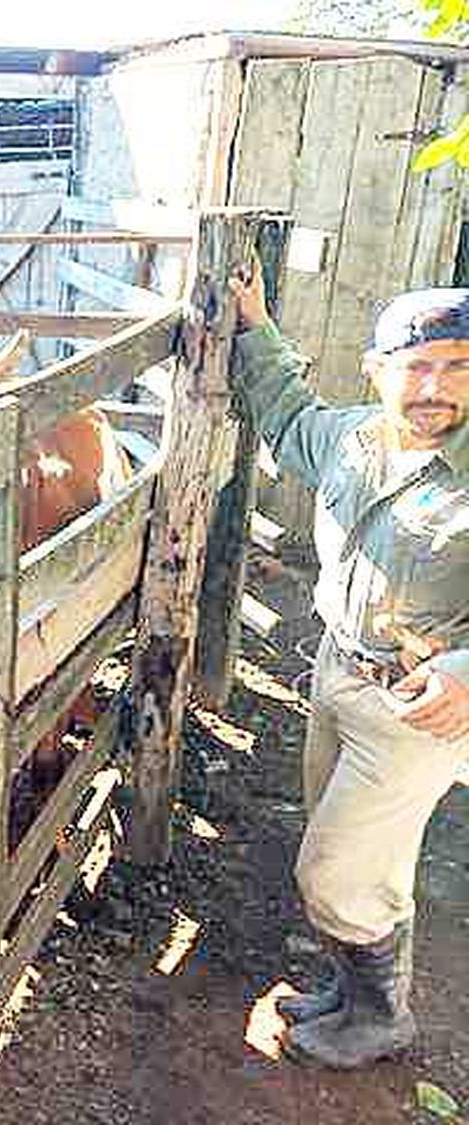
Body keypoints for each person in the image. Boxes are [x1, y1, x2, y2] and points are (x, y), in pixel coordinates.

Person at [230, 271, 469, 1068]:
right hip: (338, 671)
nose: (435, 387)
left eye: (459, 364)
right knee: (366, 857)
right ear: (378, 370)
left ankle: (381, 1019)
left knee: (333, 868)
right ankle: (353, 991)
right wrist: (256, 326)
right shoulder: (354, 438)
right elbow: (287, 410)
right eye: (417, 365)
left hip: (419, 707)